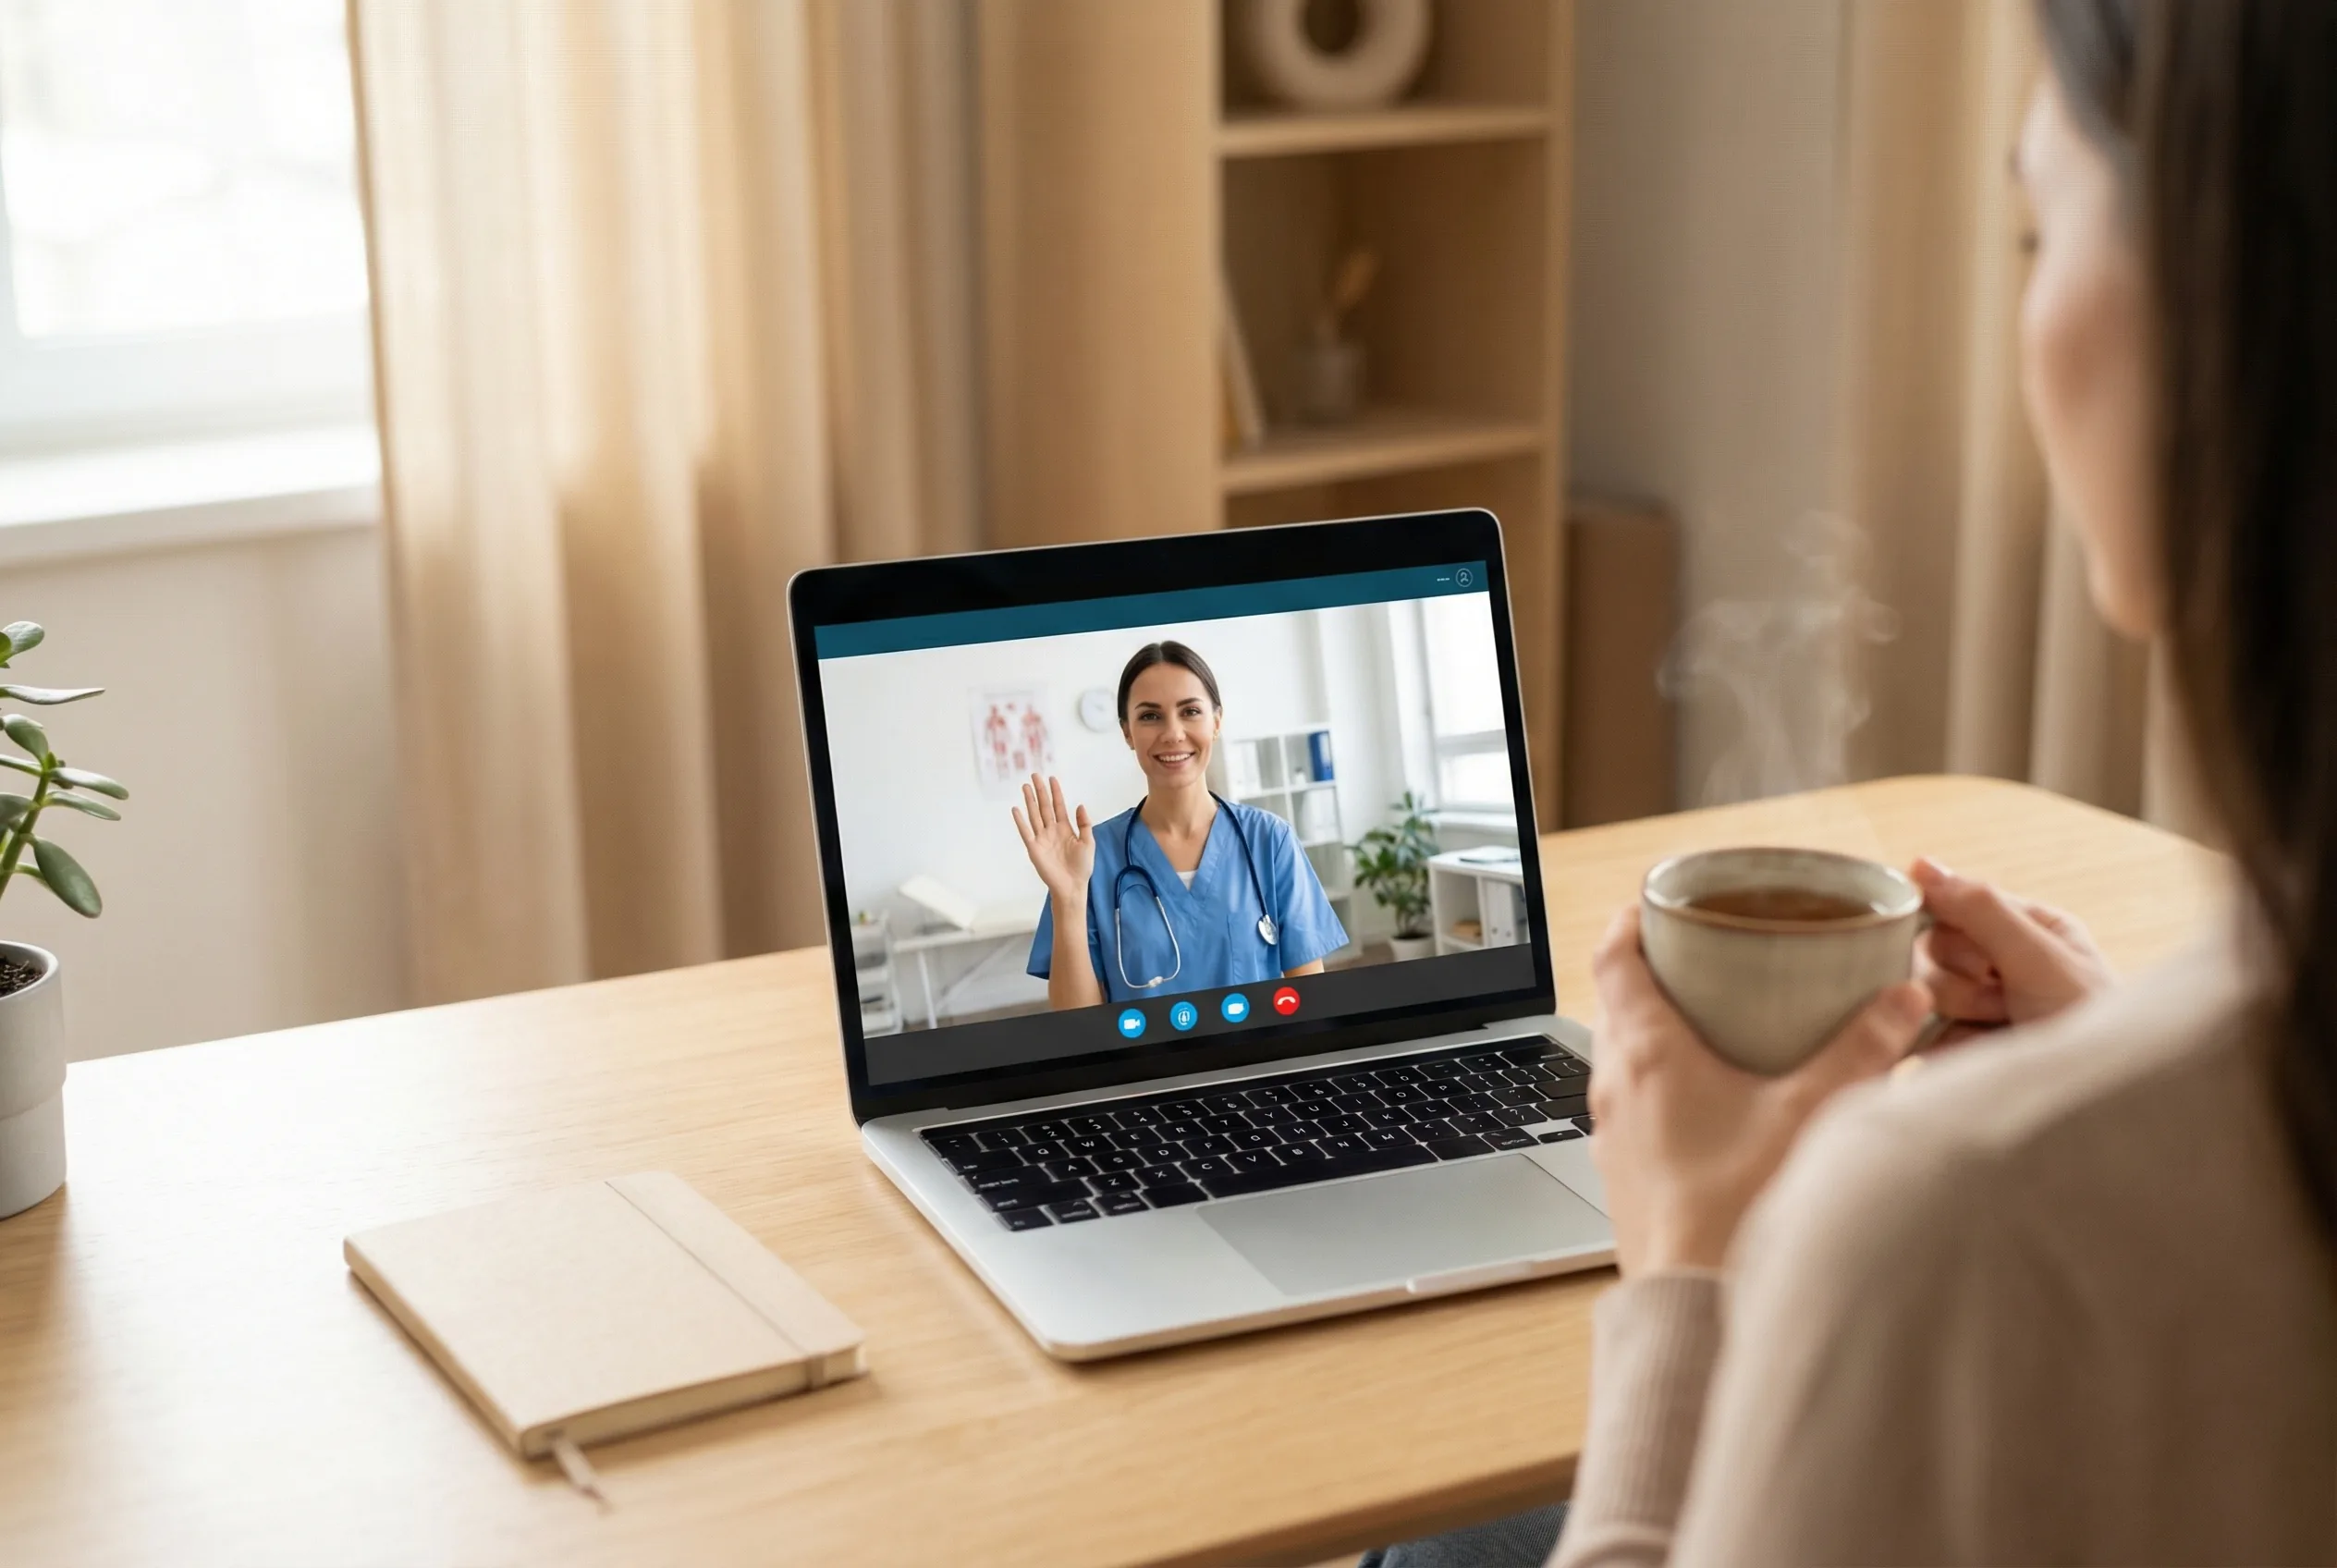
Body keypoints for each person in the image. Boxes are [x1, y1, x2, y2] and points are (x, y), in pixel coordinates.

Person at [1374, 1, 2337, 1562]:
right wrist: (2124, 1084)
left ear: (2224, 299)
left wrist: (1686, 1263)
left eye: (2037, 230)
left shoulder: (1941, 1222)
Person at [1014, 641, 1347, 1009]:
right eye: (1150, 716)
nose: (1173, 733)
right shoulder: (1091, 858)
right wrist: (1069, 896)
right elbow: (1075, 1022)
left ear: (1216, 722)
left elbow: (1310, 998)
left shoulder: (1270, 841)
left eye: (1189, 711)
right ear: (1127, 732)